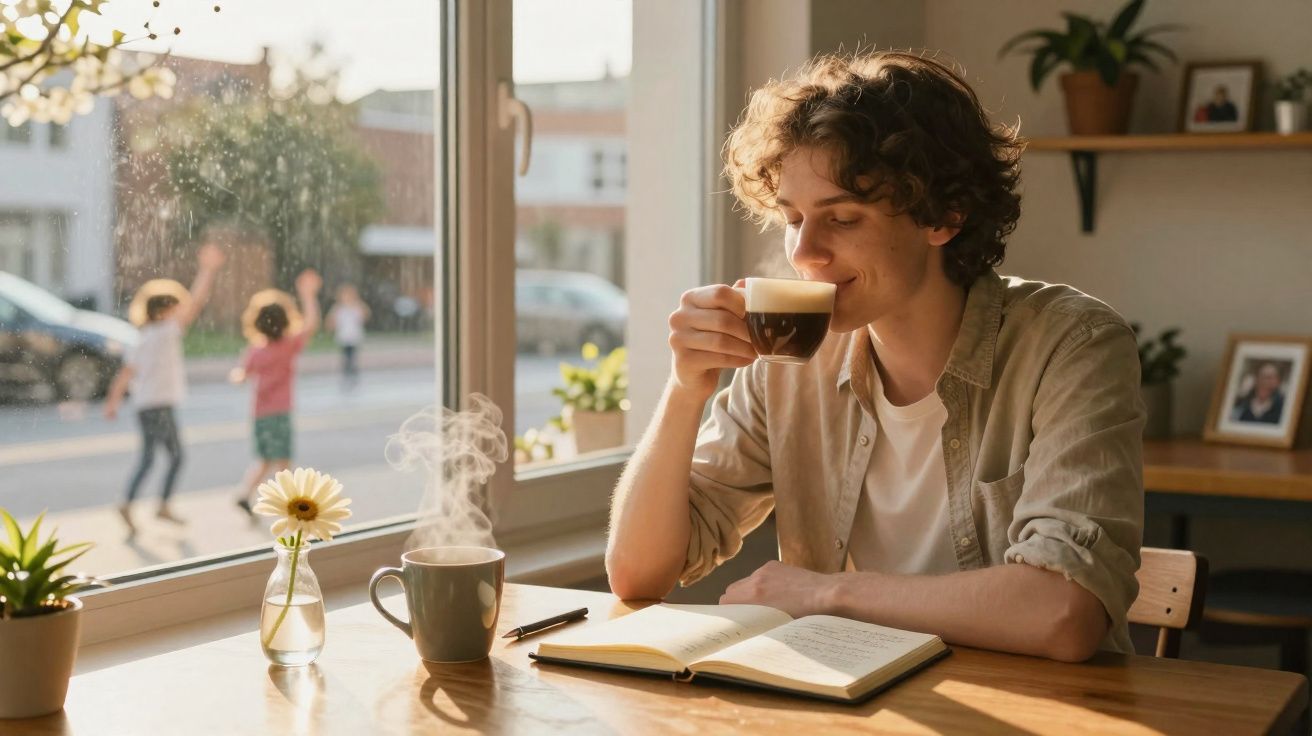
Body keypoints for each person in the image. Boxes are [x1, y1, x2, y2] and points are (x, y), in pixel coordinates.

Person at [605, 51, 1145, 663]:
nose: (805, 253)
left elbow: (1062, 613)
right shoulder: (790, 365)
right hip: (856, 707)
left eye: (841, 217)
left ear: (944, 214)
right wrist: (684, 390)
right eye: (792, 218)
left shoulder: (1071, 345)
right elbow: (638, 574)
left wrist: (829, 594)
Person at [104, 243, 227, 535]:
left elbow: (126, 374)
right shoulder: (166, 331)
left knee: (149, 458)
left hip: (146, 405)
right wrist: (207, 270)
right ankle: (161, 505)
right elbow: (195, 303)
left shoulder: (143, 336)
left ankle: (130, 503)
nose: (180, 313)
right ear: (164, 311)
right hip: (158, 405)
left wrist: (113, 401)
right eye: (175, 307)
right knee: (176, 456)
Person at [230, 270, 322, 516]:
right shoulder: (289, 346)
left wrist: (238, 377)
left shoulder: (256, 351)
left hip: (260, 414)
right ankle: (288, 505)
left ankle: (244, 494)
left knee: (265, 460)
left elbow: (241, 374)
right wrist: (308, 294)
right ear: (286, 320)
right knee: (283, 461)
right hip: (280, 412)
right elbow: (311, 323)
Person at [326, 283, 370, 389]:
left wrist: (358, 304)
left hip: (354, 336)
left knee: (352, 356)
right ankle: (348, 373)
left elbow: (365, 315)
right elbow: (331, 321)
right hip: (343, 337)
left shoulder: (357, 307)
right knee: (346, 356)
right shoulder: (338, 308)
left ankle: (352, 373)